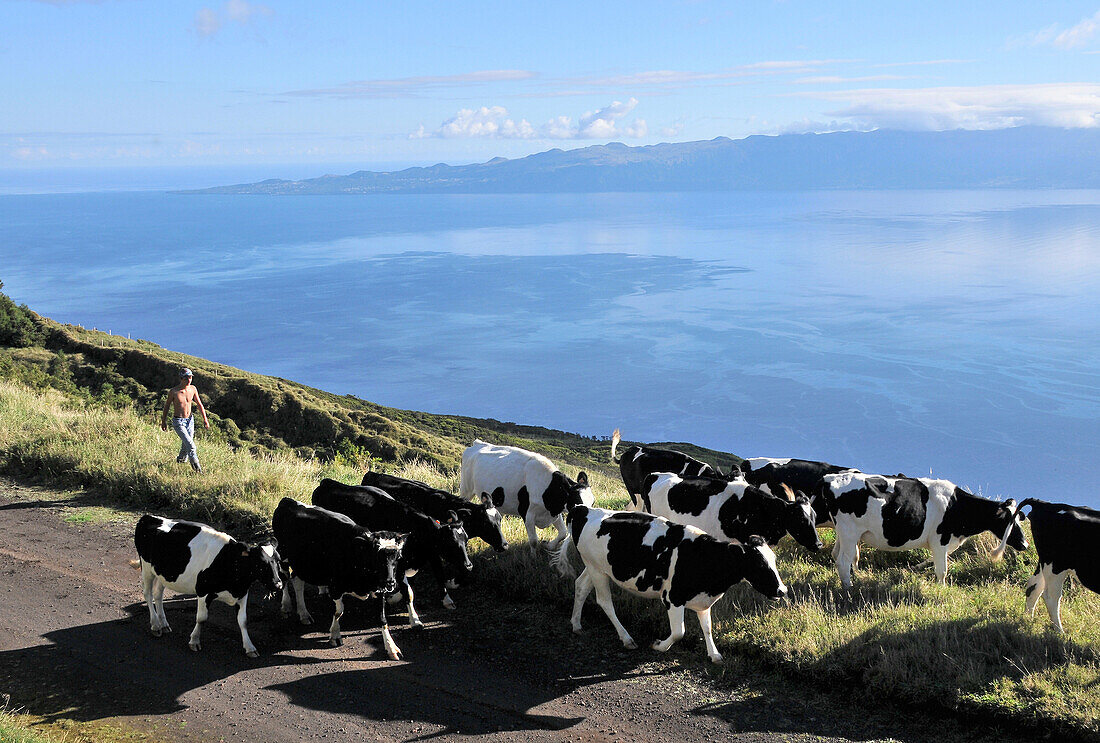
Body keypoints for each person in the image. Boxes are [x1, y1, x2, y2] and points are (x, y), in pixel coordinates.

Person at [161, 367, 209, 473]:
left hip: (190, 420)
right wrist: (163, 421)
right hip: (178, 422)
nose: (189, 380)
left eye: (190, 377)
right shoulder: (174, 392)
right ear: (181, 378)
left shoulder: (193, 389)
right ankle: (198, 471)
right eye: (187, 378)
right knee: (191, 445)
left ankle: (180, 462)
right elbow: (167, 406)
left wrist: (205, 419)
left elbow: (200, 404)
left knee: (186, 444)